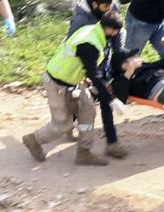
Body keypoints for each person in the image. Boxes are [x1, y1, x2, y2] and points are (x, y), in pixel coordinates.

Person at [21, 12, 126, 166]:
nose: (117, 35)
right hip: (57, 84)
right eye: (116, 32)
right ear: (110, 29)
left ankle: (84, 152)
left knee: (88, 110)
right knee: (62, 125)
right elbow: (94, 74)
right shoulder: (89, 44)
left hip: (74, 81)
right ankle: (34, 139)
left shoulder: (93, 31)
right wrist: (110, 99)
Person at [66, 0, 128, 159]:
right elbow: (74, 47)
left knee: (105, 101)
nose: (110, 9)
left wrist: (120, 54)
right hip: (86, 66)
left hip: (103, 64)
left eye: (110, 6)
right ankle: (67, 124)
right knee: (84, 103)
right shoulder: (80, 21)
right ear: (94, 5)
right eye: (105, 7)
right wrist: (87, 74)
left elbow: (116, 35)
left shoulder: (110, 7)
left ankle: (112, 143)